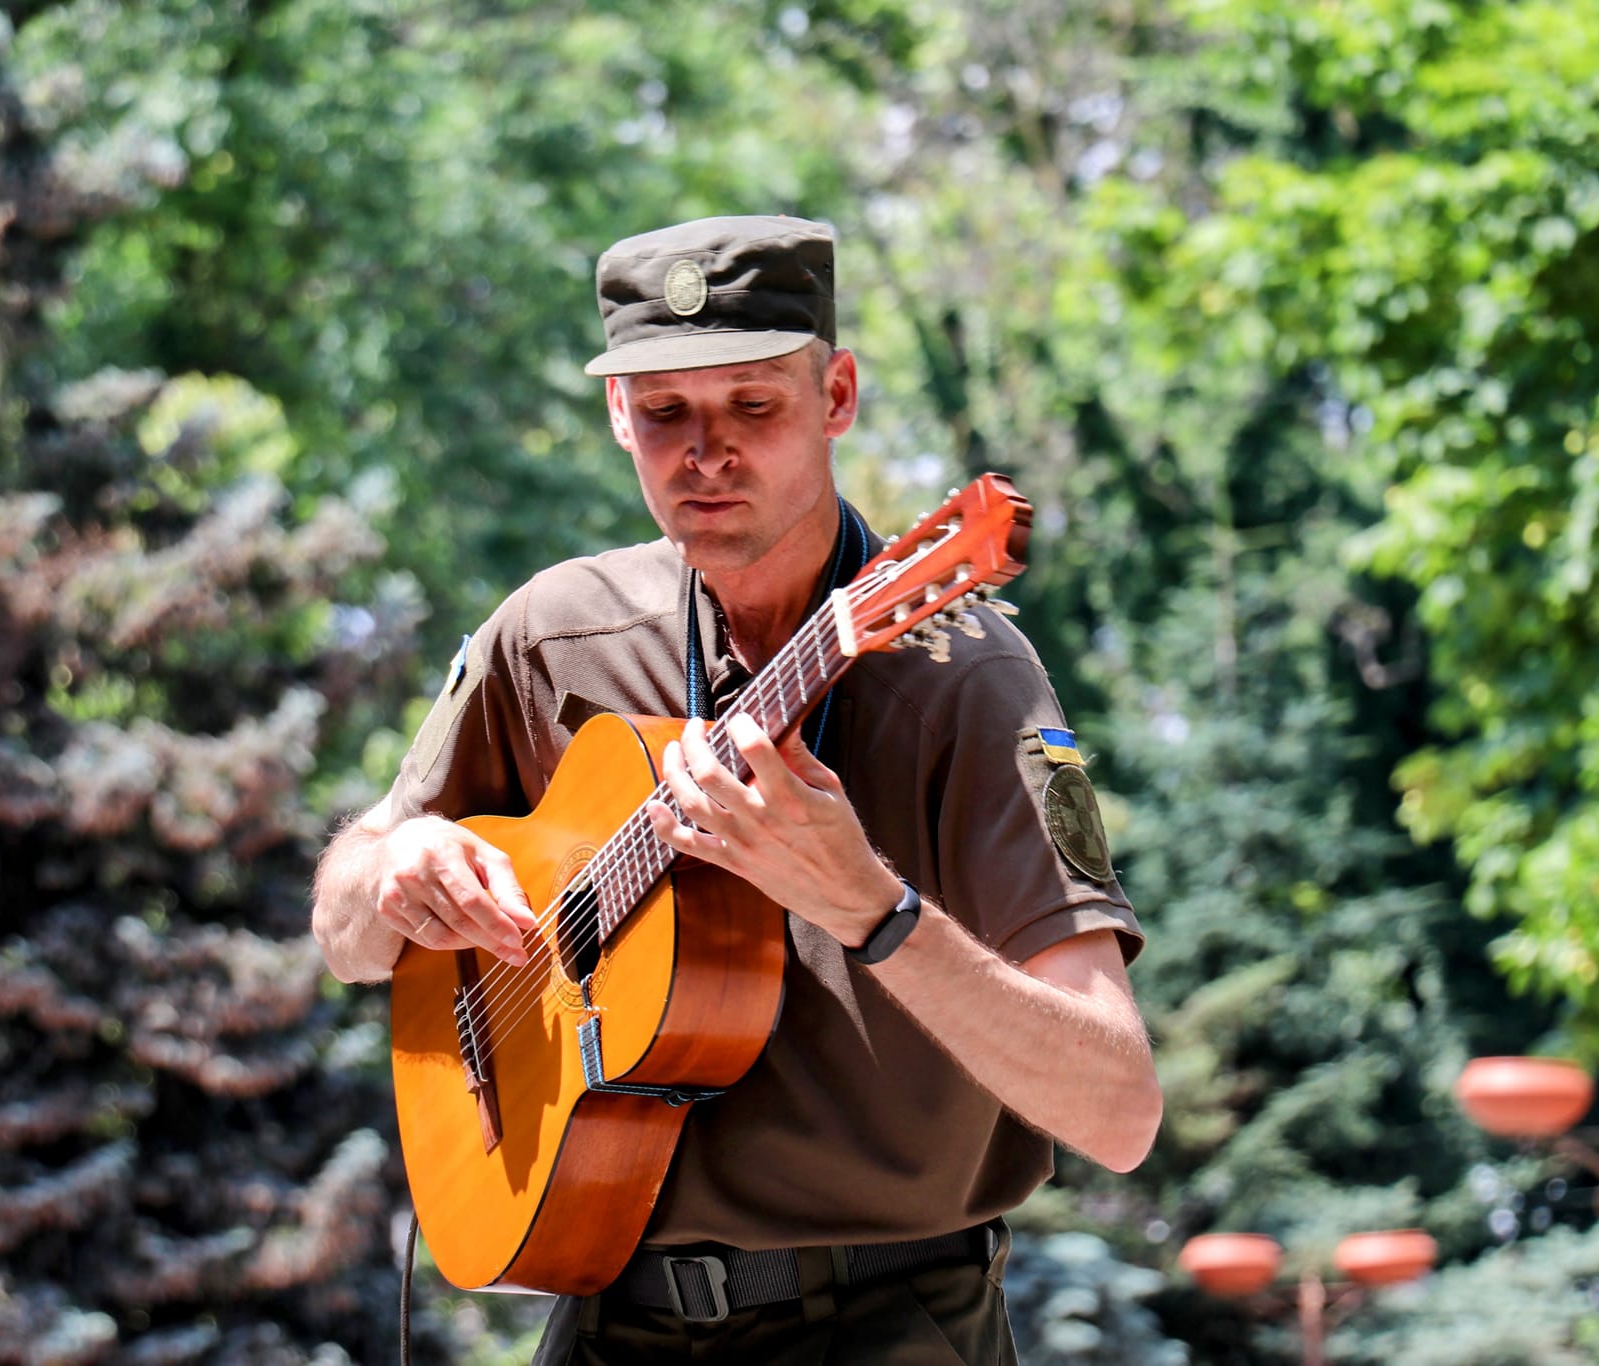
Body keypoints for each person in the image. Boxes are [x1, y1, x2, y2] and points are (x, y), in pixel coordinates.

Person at [312, 214, 1161, 1364]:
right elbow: (347, 931)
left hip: (881, 1323)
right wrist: (394, 875)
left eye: (751, 406)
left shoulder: (966, 679)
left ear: (837, 396)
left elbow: (1116, 1108)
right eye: (664, 412)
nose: (704, 451)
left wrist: (871, 907)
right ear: (619, 416)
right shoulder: (556, 637)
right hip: (603, 1314)